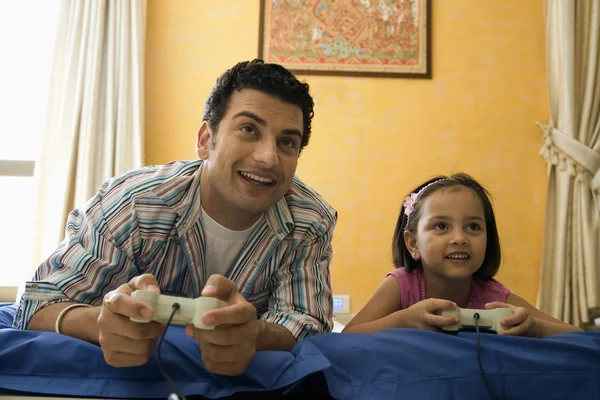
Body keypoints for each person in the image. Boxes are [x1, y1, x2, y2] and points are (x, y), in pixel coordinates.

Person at [13, 59, 337, 376]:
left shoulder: (309, 220)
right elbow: (36, 304)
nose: (268, 157)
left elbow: (306, 322)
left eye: (286, 142)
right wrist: (98, 322)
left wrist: (254, 335)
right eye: (249, 129)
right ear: (206, 141)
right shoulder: (134, 201)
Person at [342, 173, 581, 338]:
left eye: (473, 227)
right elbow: (348, 337)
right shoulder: (402, 285)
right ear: (413, 243)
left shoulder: (494, 297)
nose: (460, 238)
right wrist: (403, 321)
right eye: (442, 226)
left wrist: (535, 328)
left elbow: (579, 336)